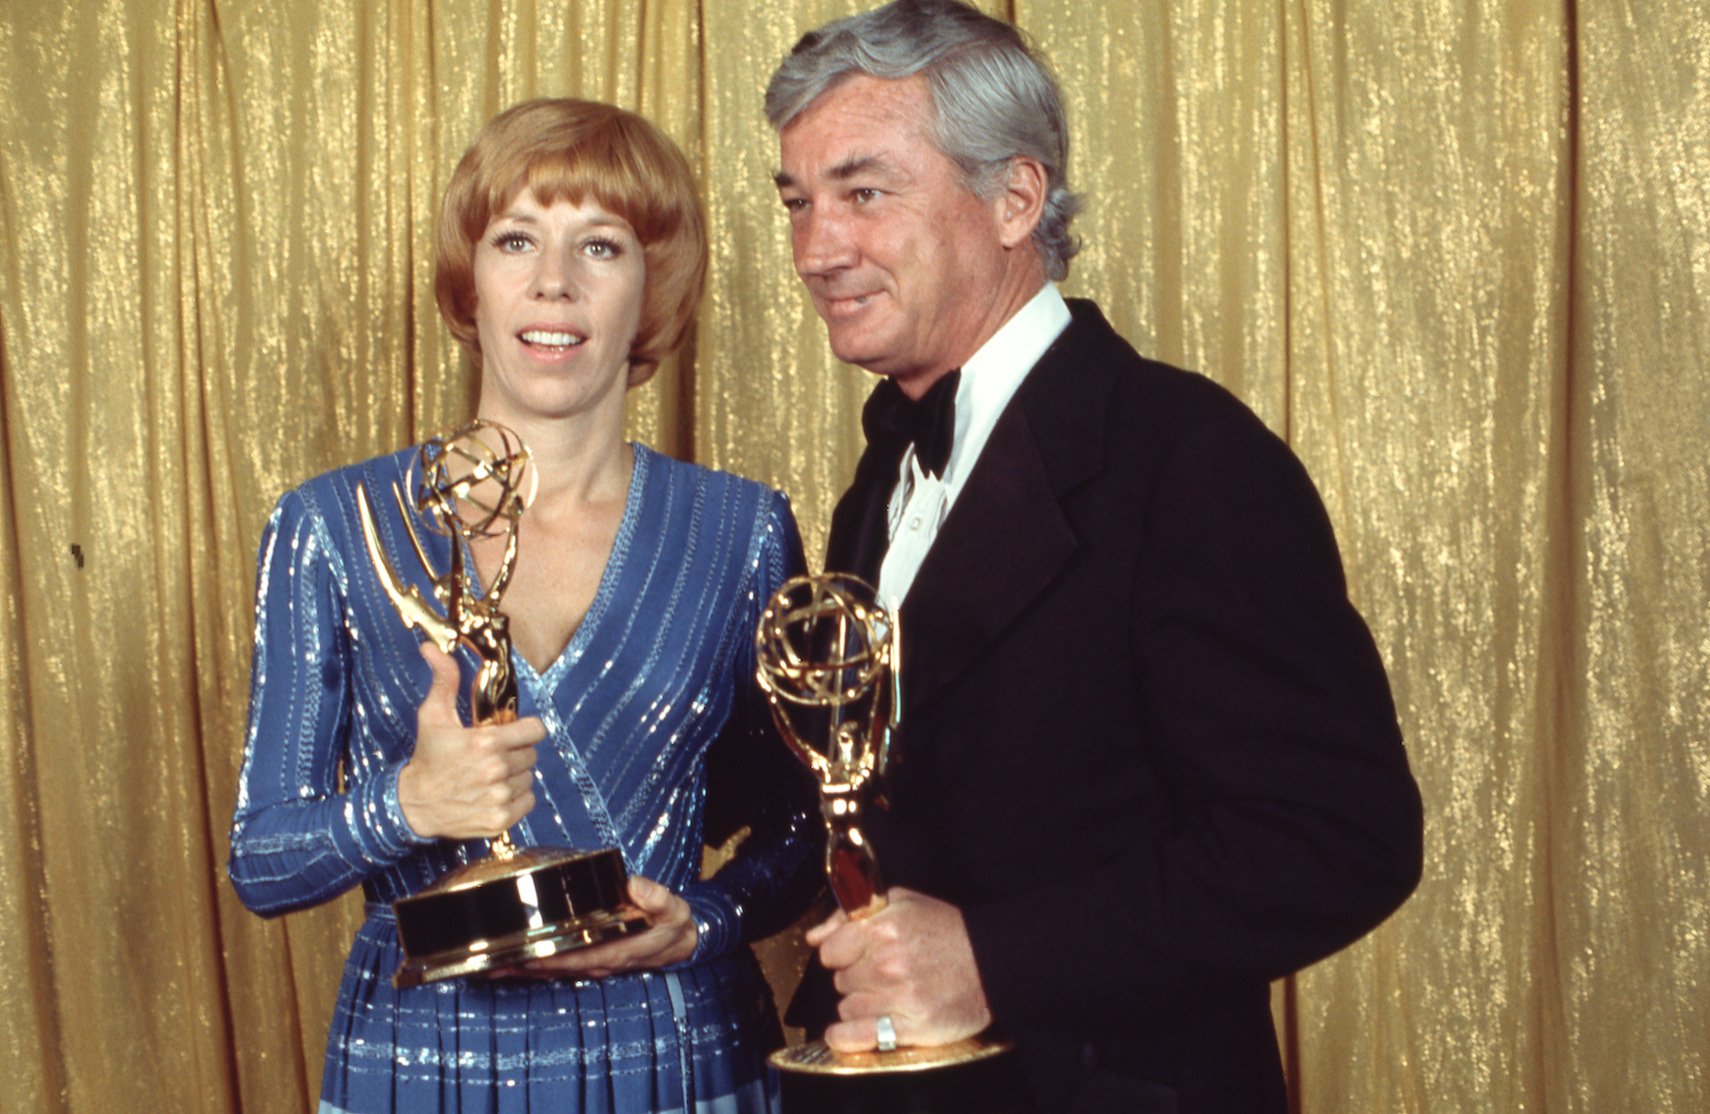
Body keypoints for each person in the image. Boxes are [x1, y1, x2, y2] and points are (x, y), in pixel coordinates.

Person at [763, 3, 1425, 1112]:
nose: (819, 249)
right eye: (799, 201)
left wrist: (991, 956)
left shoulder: (1187, 457)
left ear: (1015, 198)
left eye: (864, 192)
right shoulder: (881, 478)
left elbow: (1338, 838)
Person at [229, 98, 819, 1114]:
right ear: (473, 278)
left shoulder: (741, 530)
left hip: (682, 1057)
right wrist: (406, 806)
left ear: (654, 287)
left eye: (602, 244)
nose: (554, 281)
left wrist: (708, 918)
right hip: (421, 1067)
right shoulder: (332, 523)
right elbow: (261, 860)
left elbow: (806, 825)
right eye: (516, 239)